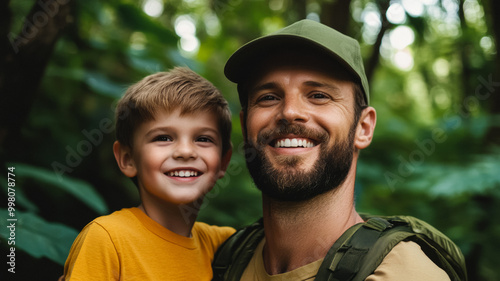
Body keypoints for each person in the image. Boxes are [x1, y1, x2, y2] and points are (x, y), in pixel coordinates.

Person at [212, 19, 467, 281]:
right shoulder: (223, 261)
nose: (289, 112)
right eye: (268, 97)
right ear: (244, 126)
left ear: (363, 127)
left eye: (319, 95)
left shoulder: (403, 275)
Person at [62, 67, 235, 280]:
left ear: (223, 162)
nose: (185, 151)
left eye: (204, 139)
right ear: (128, 159)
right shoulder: (107, 240)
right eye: (163, 138)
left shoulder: (223, 245)